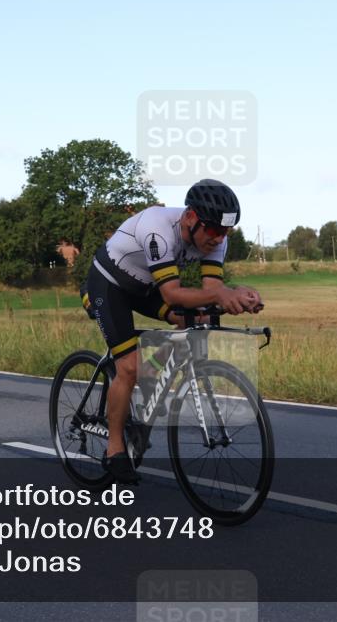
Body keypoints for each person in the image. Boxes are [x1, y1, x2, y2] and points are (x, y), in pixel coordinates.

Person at [80, 179, 262, 484]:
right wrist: (221, 296)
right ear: (190, 217)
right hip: (108, 285)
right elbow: (173, 294)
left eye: (226, 232)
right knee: (128, 367)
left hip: (144, 288)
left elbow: (212, 290)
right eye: (214, 231)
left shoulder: (216, 240)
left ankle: (147, 389)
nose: (219, 239)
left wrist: (238, 298)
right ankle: (115, 450)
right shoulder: (157, 228)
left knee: (191, 321)